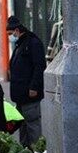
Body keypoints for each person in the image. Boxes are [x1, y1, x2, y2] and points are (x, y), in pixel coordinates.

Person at [6, 16, 46, 146]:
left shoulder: (33, 43)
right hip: (21, 96)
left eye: (11, 34)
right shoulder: (21, 44)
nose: (10, 37)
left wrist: (34, 87)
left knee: (33, 126)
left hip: (30, 96)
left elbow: (39, 66)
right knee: (23, 126)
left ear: (17, 30)